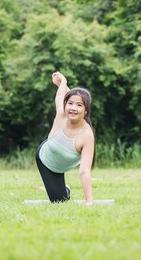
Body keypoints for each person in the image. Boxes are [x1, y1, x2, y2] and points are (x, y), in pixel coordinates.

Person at [35, 71, 96, 204]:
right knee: (59, 201)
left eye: (79, 105)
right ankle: (65, 190)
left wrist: (89, 202)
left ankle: (63, 188)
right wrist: (63, 82)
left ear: (86, 111)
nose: (73, 108)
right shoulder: (62, 114)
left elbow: (84, 171)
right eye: (70, 104)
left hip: (61, 162)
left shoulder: (86, 135)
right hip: (46, 159)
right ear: (65, 104)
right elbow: (63, 96)